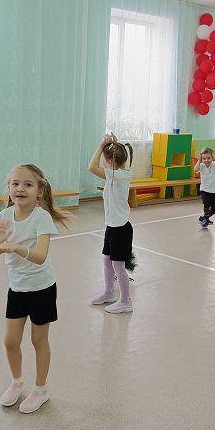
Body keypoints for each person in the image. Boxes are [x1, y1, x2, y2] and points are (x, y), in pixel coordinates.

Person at [0, 164, 72, 414]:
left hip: (42, 287)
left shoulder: (41, 218)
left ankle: (41, 389)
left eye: (28, 184)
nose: (20, 189)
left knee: (38, 340)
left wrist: (14, 247)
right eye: (15, 184)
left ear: (39, 191)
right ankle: (17, 382)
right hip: (17, 289)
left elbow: (41, 256)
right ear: (9, 188)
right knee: (10, 341)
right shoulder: (3, 218)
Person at [88, 134, 134, 314]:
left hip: (121, 229)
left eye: (104, 159)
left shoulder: (117, 176)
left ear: (109, 162)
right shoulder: (117, 174)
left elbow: (91, 167)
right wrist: (112, 146)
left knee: (118, 266)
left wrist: (102, 146)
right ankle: (108, 292)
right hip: (113, 226)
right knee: (106, 260)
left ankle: (126, 301)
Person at [194, 147, 215, 227]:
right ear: (201, 158)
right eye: (204, 158)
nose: (206, 160)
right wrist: (199, 160)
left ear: (212, 157)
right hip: (204, 190)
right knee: (206, 204)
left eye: (209, 158)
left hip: (214, 190)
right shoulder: (201, 165)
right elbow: (195, 170)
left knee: (214, 210)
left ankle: (204, 218)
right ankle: (205, 220)